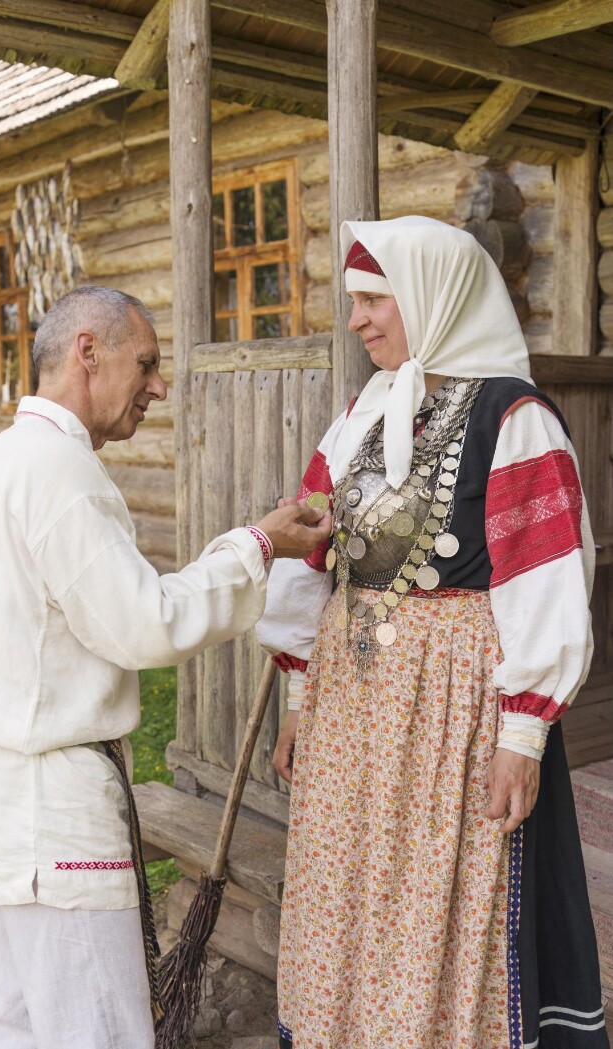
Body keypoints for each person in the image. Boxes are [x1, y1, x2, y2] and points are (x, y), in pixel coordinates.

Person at [0, 285, 331, 1049]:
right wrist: (259, 545)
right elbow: (144, 622)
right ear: (86, 352)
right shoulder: (57, 472)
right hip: (55, 816)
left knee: (21, 1025)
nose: (158, 386)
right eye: (145, 363)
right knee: (97, 1033)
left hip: (4, 806)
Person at [256, 217, 609, 1049]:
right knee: (350, 886)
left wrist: (521, 733)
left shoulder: (513, 418)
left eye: (375, 299)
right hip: (352, 710)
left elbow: (549, 579)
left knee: (432, 891)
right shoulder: (363, 415)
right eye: (355, 302)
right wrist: (302, 692)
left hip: (447, 715)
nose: (358, 321)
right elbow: (316, 556)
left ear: (431, 295)